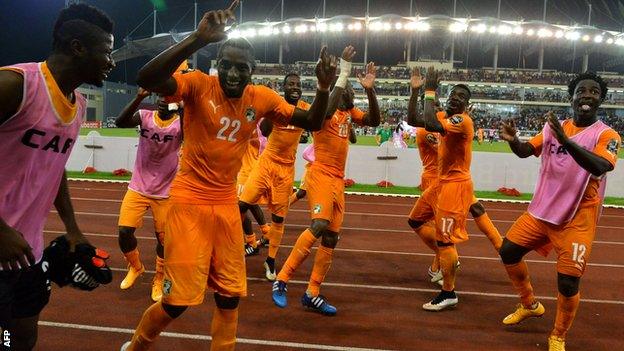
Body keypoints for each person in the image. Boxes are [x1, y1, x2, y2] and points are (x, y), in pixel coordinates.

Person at [120, 1, 337, 349]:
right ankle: (138, 344)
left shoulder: (261, 97)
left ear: (253, 70)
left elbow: (311, 122)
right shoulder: (197, 85)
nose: (233, 75)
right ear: (216, 66)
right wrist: (196, 39)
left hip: (224, 206)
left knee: (229, 297)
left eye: (241, 68)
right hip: (188, 202)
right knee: (177, 303)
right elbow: (146, 79)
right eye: (226, 66)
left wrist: (324, 89)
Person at [0, 4, 115, 350]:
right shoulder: (15, 85)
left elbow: (54, 166)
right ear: (78, 47)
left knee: (23, 337)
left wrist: (73, 228)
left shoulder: (77, 104)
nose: (111, 62)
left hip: (26, 252)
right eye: (106, 52)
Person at [498, 72, 621, 351]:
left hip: (578, 217)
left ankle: (558, 336)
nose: (587, 95)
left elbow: (601, 166)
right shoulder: (554, 127)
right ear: (572, 97)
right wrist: (513, 140)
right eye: (581, 90)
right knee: (508, 251)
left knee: (567, 282)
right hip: (542, 211)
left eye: (594, 91)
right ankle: (529, 304)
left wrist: (567, 141)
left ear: (601, 99)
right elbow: (526, 150)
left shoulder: (607, 134)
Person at [271, 48, 381, 316]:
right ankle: (282, 279)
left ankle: (312, 293)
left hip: (338, 181)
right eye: (346, 91)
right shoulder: (323, 111)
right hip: (319, 174)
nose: (350, 95)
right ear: (335, 92)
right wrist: (342, 74)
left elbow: (375, 121)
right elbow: (329, 107)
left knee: (332, 237)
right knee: (319, 225)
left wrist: (369, 90)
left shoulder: (348, 113)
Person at [407, 69, 503, 289]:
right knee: (428, 224)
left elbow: (434, 121)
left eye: (456, 97)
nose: (444, 102)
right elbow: (417, 120)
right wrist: (416, 92)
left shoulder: (455, 119)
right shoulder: (434, 124)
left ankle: (446, 277)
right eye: (449, 96)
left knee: (452, 228)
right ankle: (445, 260)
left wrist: (429, 92)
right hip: (435, 180)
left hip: (453, 183)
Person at [238, 72, 311, 279]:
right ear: (284, 88)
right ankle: (231, 248)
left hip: (286, 170)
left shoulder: (305, 109)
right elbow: (264, 129)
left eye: (298, 84)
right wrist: (271, 110)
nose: (295, 87)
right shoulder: (275, 104)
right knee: (241, 206)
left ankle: (270, 261)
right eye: (291, 84)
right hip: (266, 163)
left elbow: (317, 121)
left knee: (279, 219)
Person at [115, 87, 183, 302]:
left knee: (163, 240)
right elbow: (120, 122)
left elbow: (192, 136)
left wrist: (183, 108)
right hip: (138, 187)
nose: (164, 101)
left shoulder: (182, 123)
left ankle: (159, 278)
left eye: (169, 98)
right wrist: (139, 97)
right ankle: (136, 267)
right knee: (124, 232)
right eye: (161, 97)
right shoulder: (145, 116)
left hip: (165, 191)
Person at [237, 123, 271, 257]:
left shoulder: (255, 130)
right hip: (251, 171)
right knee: (251, 204)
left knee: (239, 208)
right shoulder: (259, 131)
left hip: (246, 172)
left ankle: (251, 243)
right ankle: (267, 231)